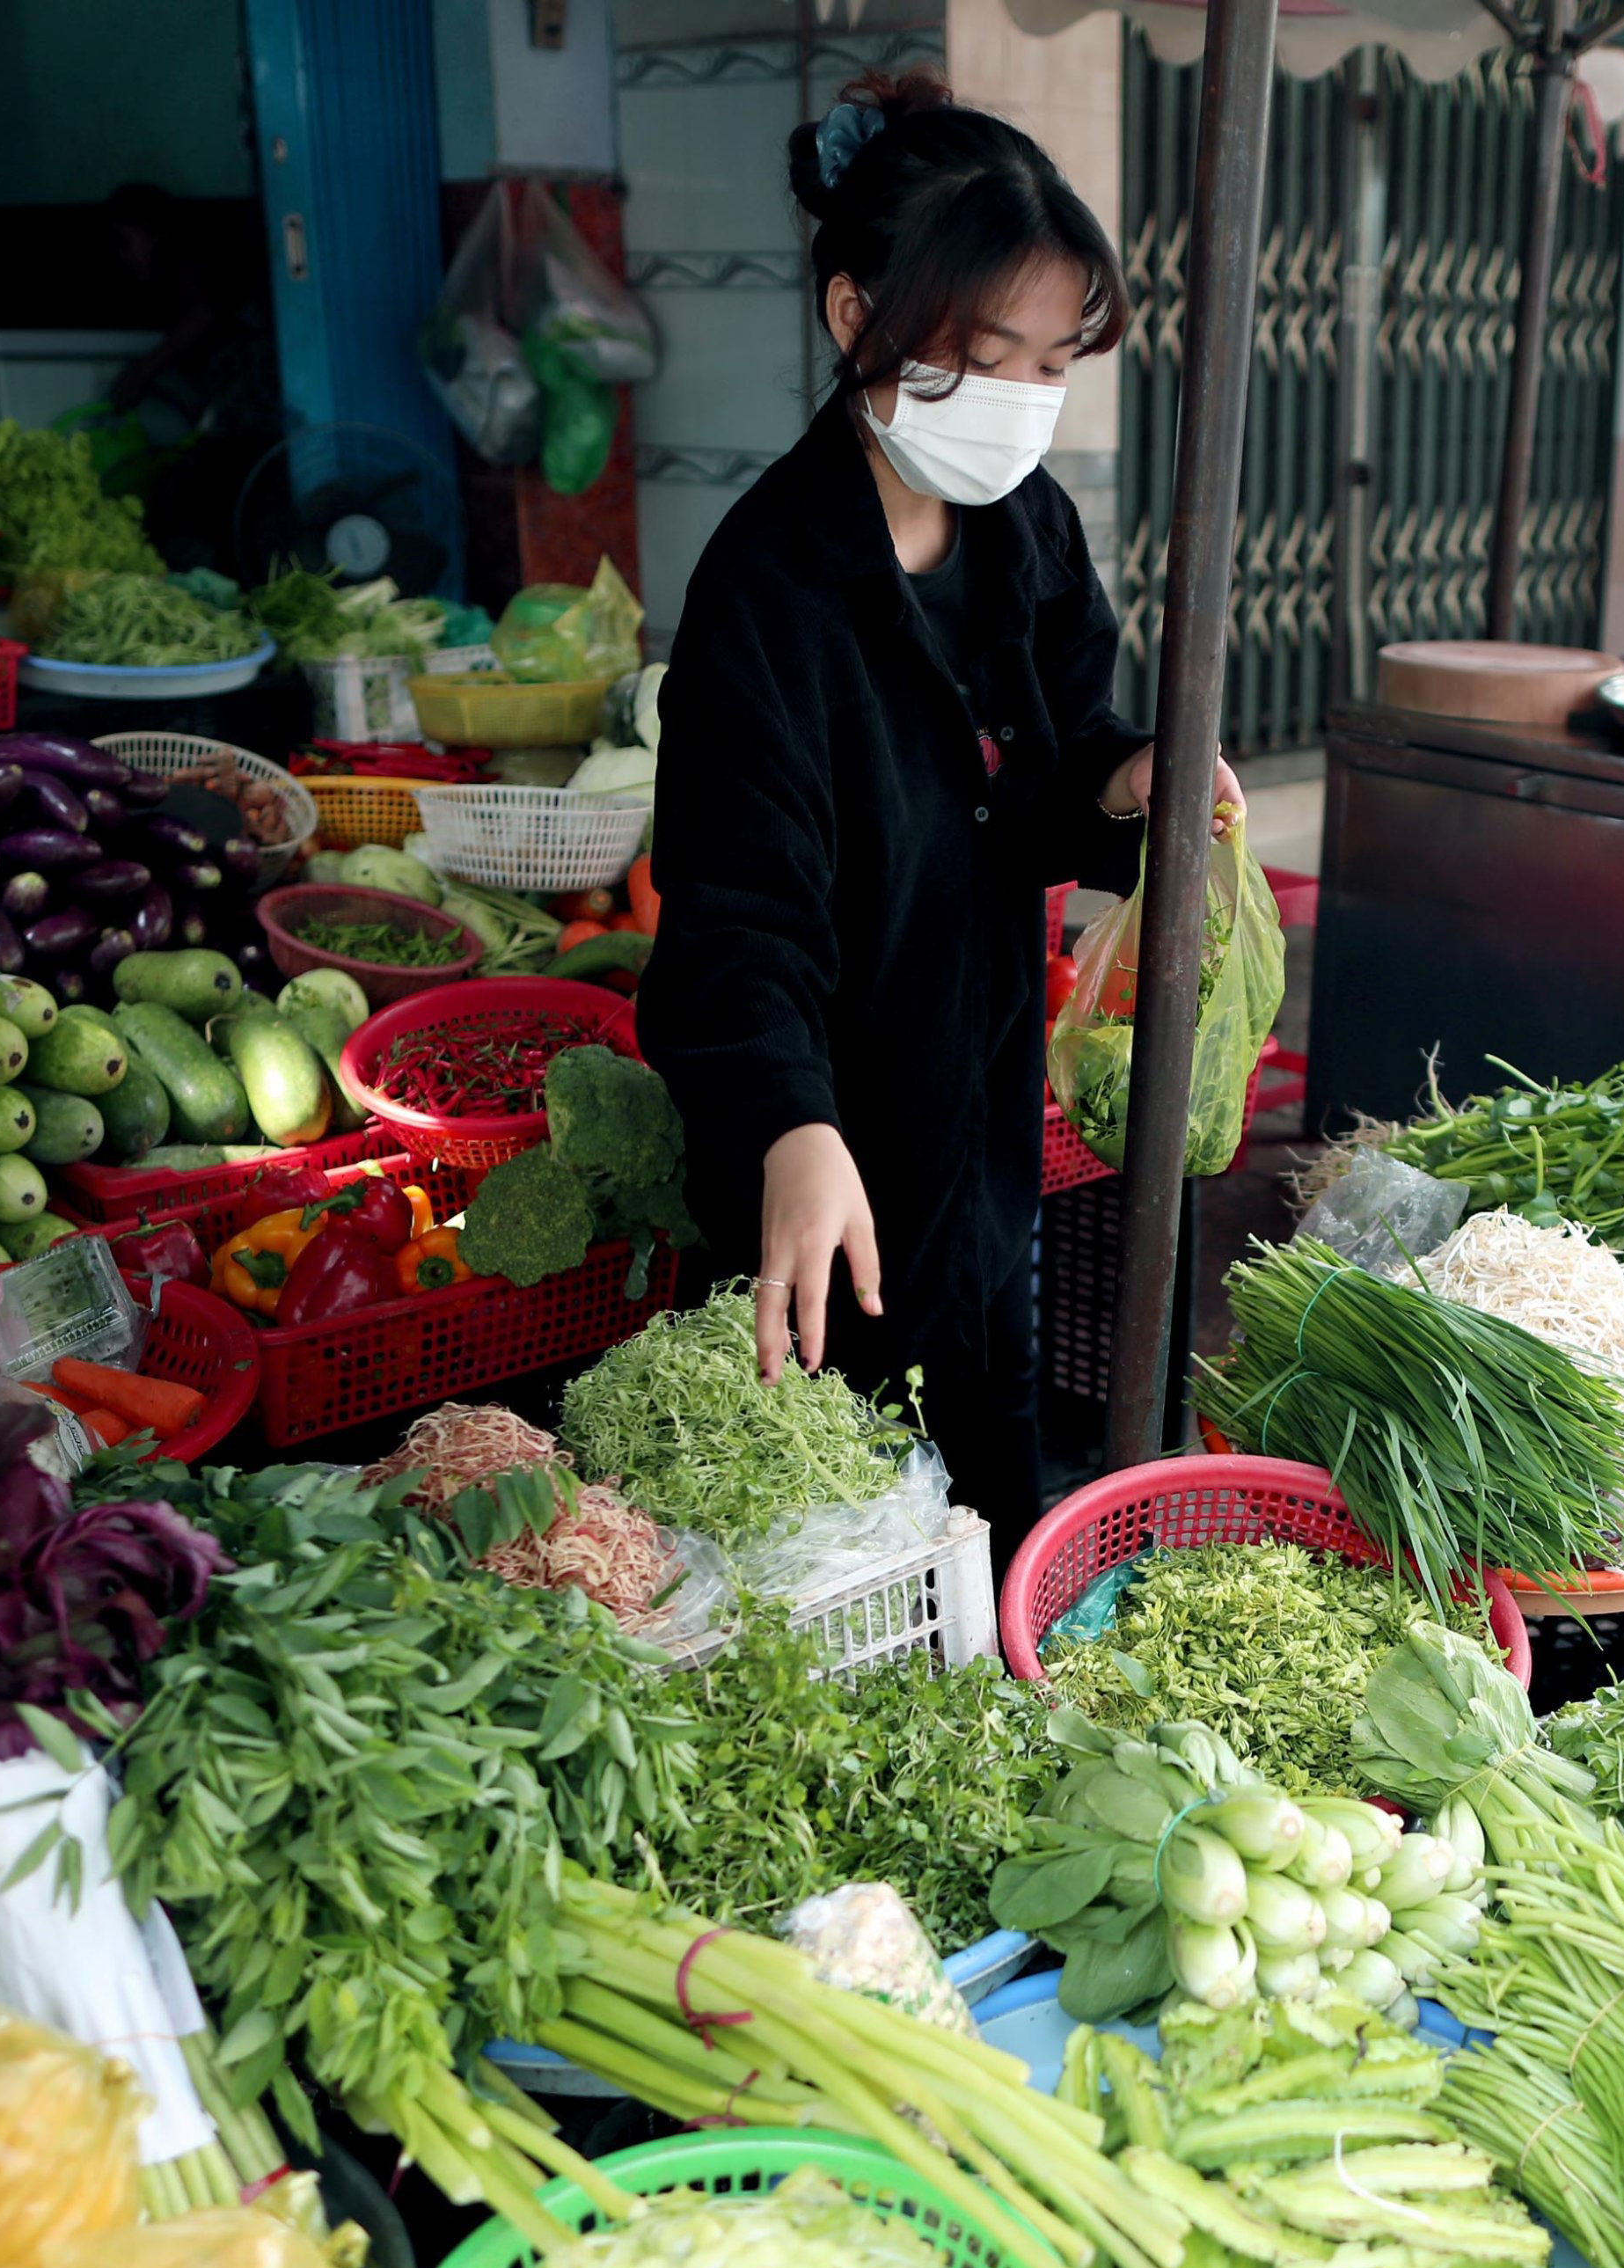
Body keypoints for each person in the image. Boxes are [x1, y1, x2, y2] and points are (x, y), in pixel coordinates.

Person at [638, 71, 1240, 1546]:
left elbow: (1045, 774)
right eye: (983, 355)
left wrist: (1122, 778)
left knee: (989, 1483)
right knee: (831, 1538)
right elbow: (733, 917)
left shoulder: (1024, 530)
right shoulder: (769, 590)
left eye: (1051, 362)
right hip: (820, 1178)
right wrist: (789, 1127)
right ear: (857, 317)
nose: (1022, 398)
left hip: (980, 1142)